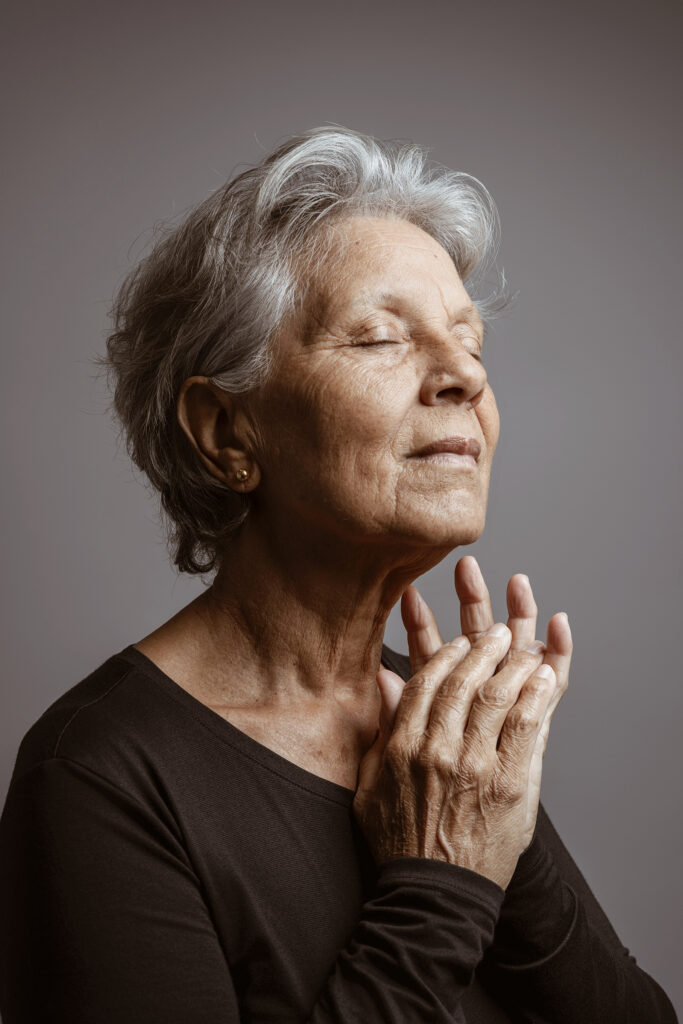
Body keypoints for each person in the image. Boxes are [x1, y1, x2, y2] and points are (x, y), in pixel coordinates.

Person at [0, 126, 677, 1024]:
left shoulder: (441, 735)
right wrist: (442, 885)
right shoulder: (97, 777)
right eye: (379, 339)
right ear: (227, 434)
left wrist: (499, 815)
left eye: (469, 342)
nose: (462, 379)